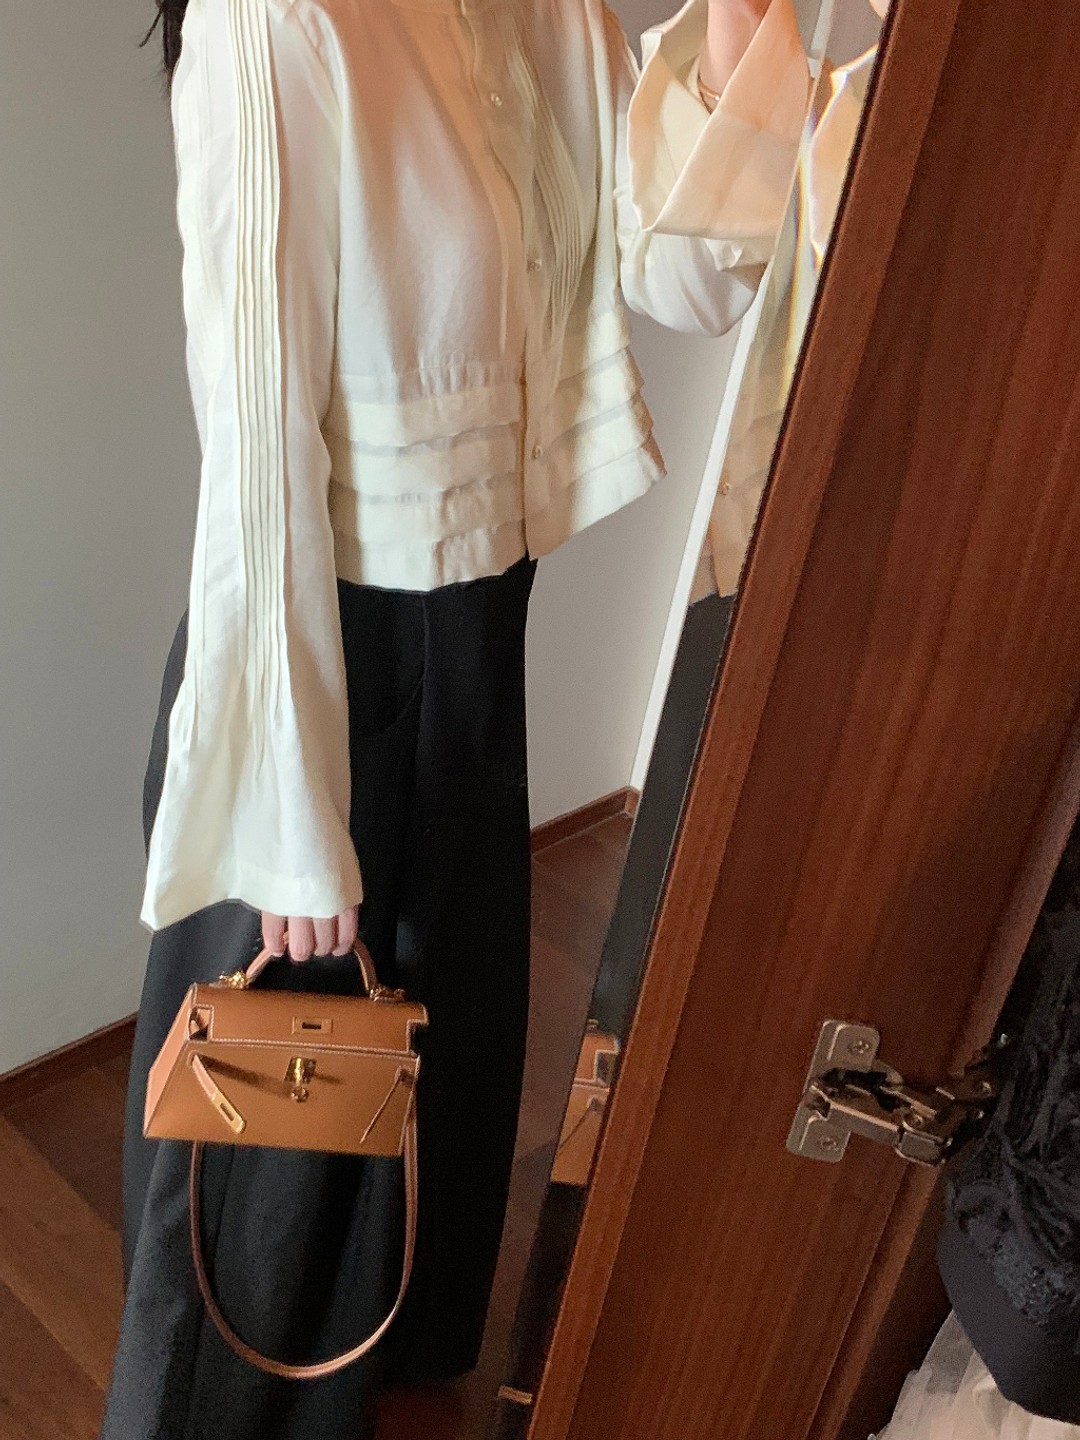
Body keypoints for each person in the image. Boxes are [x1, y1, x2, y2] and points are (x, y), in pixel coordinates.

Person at [100, 0, 810, 1435]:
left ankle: (383, 1373)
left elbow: (685, 278)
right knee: (269, 1126)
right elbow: (253, 444)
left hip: (477, 626)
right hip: (323, 650)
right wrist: (286, 819)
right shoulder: (277, 19)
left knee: (432, 1062)